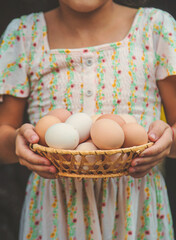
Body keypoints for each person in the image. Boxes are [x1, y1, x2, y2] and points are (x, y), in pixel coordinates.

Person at [0, 0, 176, 239]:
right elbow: (4, 136)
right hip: (55, 214)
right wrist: (19, 142)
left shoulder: (157, 27)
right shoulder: (23, 35)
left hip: (136, 212)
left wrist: (167, 141)